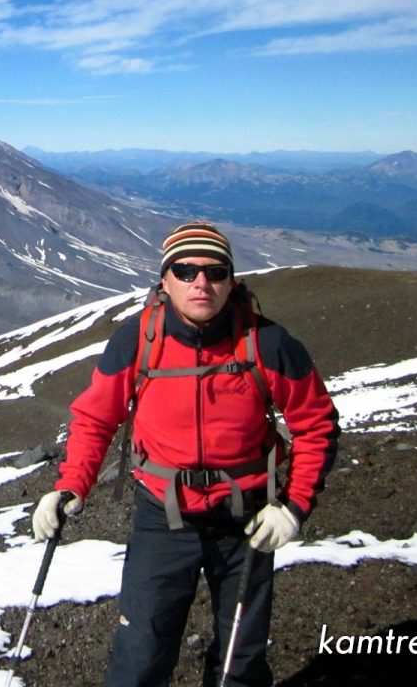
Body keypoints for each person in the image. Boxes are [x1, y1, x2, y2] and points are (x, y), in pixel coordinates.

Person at [31, 221, 339, 687]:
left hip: (246, 519)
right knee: (140, 655)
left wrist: (293, 509)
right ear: (165, 279)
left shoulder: (269, 343)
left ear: (232, 281)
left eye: (216, 272)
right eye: (186, 270)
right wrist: (71, 484)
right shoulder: (137, 339)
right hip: (161, 517)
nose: (201, 283)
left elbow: (317, 426)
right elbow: (95, 418)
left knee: (240, 659)